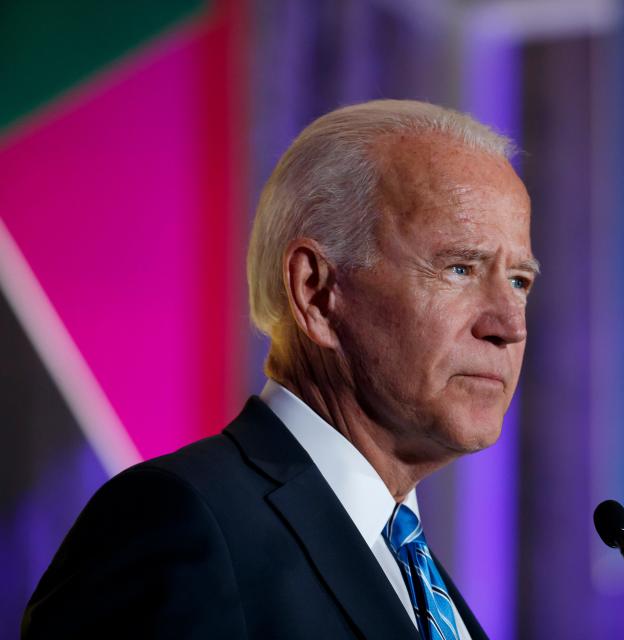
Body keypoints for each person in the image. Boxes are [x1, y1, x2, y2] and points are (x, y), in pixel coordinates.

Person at [22, 99, 538, 639]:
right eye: (459, 268)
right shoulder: (178, 523)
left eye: (520, 282)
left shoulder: (418, 575)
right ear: (316, 293)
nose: (509, 325)